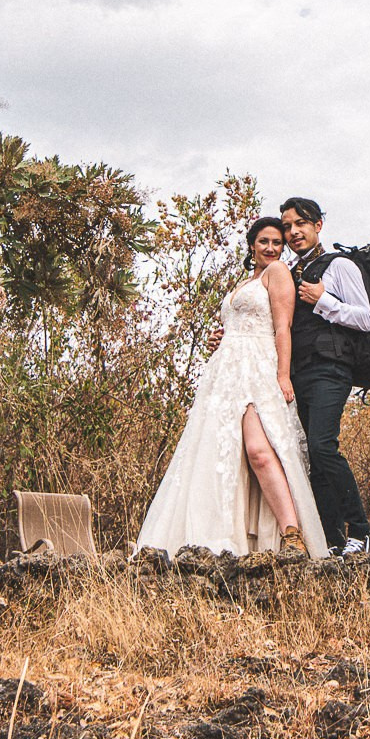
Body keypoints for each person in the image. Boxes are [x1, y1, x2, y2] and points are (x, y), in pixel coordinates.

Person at [135, 217, 329, 559]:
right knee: (216, 451)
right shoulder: (245, 281)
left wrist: (283, 375)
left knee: (259, 449)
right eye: (264, 242)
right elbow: (239, 322)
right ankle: (220, 535)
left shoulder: (278, 273)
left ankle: (291, 532)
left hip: (257, 367)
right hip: (225, 371)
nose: (271, 248)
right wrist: (221, 337)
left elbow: (282, 328)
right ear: (251, 245)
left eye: (276, 243)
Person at [277, 197, 370, 556]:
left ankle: (363, 534)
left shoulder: (340, 265)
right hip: (297, 373)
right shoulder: (287, 273)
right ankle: (334, 541)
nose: (293, 232)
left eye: (300, 223)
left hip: (331, 369)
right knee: (313, 459)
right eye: (287, 226)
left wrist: (323, 299)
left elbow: (365, 319)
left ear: (318, 225)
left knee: (323, 445)